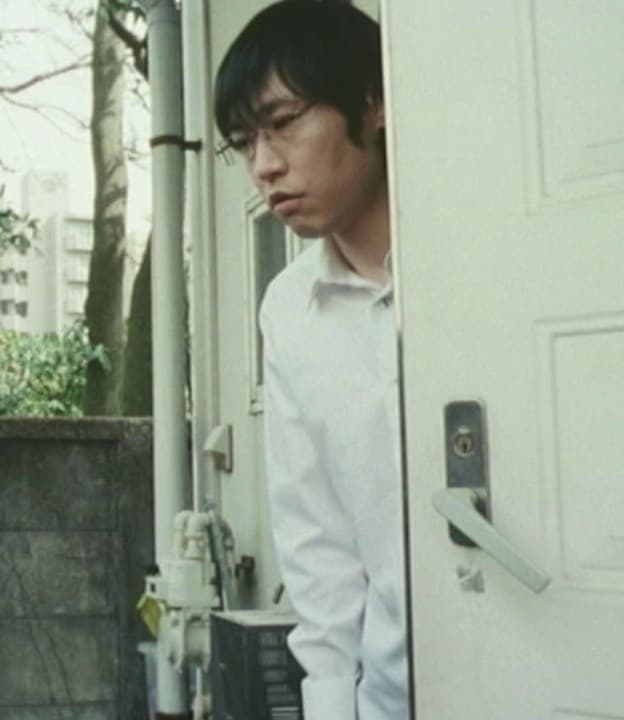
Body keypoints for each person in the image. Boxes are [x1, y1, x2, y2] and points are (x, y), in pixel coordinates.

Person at [213, 2, 407, 719]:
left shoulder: (483, 259)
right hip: (389, 699)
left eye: (284, 122)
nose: (264, 166)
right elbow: (317, 544)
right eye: (245, 143)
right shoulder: (288, 308)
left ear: (374, 101)